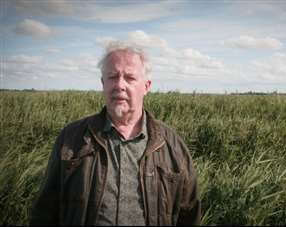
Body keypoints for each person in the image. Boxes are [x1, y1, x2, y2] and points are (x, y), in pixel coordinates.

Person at [30, 41, 201, 226]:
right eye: (112, 76)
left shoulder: (172, 145)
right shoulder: (71, 138)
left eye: (130, 78)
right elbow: (45, 211)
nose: (119, 85)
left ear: (146, 86)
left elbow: (189, 214)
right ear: (103, 84)